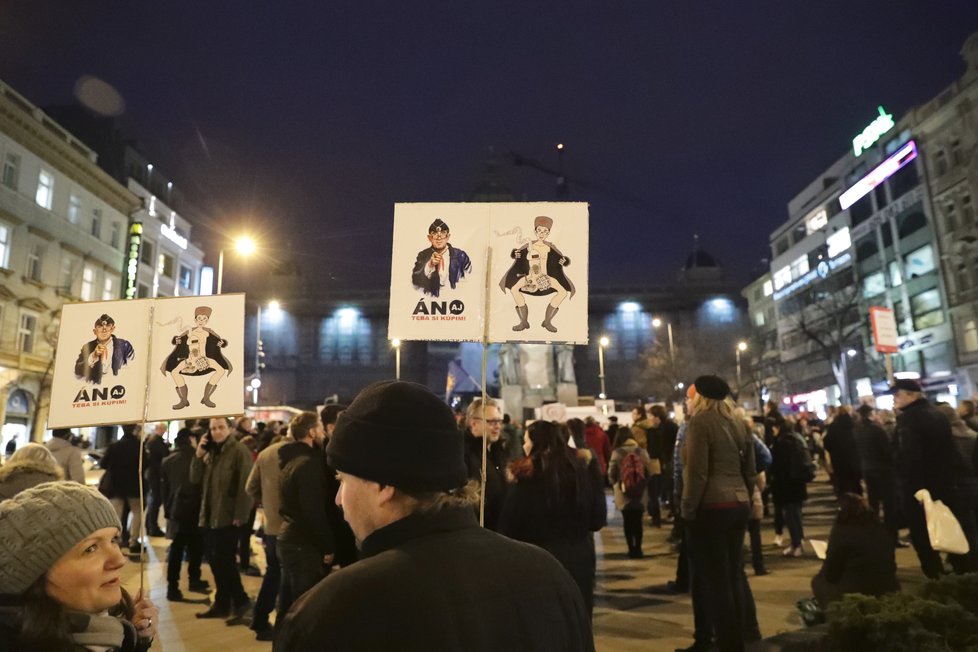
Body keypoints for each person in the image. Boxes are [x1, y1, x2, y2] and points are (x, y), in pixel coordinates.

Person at [275, 380, 595, 652]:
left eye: (343, 479)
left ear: (383, 484)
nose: (339, 499)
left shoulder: (333, 611)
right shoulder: (549, 574)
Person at [0, 482, 158, 651]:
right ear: (32, 572)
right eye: (90, 549)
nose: (120, 560)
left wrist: (137, 641)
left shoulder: (96, 631)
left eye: (114, 539)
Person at [679, 375, 758, 652]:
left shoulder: (700, 422)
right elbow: (750, 467)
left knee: (715, 581)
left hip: (712, 507)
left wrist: (688, 508)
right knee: (733, 575)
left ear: (699, 397)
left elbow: (697, 472)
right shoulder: (738, 421)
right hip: (739, 503)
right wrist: (747, 495)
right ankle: (738, 639)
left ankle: (727, 644)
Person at [498, 420, 606, 615]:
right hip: (579, 562)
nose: (524, 446)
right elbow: (597, 519)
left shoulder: (525, 477)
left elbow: (508, 527)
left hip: (536, 565)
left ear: (537, 444)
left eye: (526, 441)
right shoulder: (583, 469)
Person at [890, 378, 958, 579]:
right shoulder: (939, 414)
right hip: (943, 483)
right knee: (946, 528)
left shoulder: (909, 419)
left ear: (911, 395)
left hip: (918, 487)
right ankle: (958, 569)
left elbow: (908, 455)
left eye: (898, 394)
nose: (895, 399)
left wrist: (906, 482)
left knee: (921, 534)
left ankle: (934, 575)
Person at [191, 417, 253, 621]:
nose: (217, 432)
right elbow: (194, 479)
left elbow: (247, 486)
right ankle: (223, 603)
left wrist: (240, 515)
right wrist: (198, 454)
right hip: (209, 517)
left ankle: (241, 601)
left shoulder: (238, 451)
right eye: (213, 428)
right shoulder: (210, 452)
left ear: (230, 429)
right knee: (216, 562)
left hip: (228, 517)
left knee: (225, 562)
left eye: (221, 427)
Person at [276, 412, 337, 619]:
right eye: (320, 428)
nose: (323, 432)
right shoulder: (308, 465)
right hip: (302, 543)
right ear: (311, 432)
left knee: (287, 605)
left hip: (290, 538)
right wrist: (327, 546)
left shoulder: (291, 460)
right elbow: (313, 511)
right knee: (303, 608)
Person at [810, 493, 899, 609]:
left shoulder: (842, 531)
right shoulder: (880, 528)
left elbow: (831, 573)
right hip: (888, 585)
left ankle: (834, 611)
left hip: (858, 588)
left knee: (818, 581)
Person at [245, 424, 291, 640]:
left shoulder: (265, 454)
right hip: (291, 527)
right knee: (287, 578)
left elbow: (250, 488)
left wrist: (266, 501)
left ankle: (260, 619)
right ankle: (284, 629)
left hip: (270, 524)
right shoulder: (301, 454)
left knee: (273, 572)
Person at [499, 215, 575, 333]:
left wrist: (565, 261)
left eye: (545, 231)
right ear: (535, 231)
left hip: (545, 278)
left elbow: (562, 259)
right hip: (529, 278)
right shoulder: (529, 245)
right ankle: (524, 321)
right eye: (539, 230)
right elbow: (517, 254)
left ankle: (547, 321)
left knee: (563, 292)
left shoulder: (550, 247)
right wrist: (515, 254)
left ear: (548, 233)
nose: (541, 233)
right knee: (514, 289)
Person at [160, 428, 210, 602]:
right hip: (196, 508)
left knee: (176, 549)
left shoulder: (167, 460)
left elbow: (164, 490)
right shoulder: (200, 457)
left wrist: (167, 510)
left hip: (177, 510)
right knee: (196, 547)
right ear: (190, 439)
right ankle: (194, 580)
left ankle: (172, 587)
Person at [160, 305, 232, 409]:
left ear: (207, 321)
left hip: (204, 359)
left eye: (204, 319)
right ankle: (183, 400)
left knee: (220, 370)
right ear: (195, 319)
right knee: (174, 372)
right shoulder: (189, 332)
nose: (201, 321)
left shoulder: (208, 333)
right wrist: (176, 340)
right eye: (199, 318)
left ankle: (206, 397)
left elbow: (219, 342)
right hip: (190, 360)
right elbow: (178, 342)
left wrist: (222, 343)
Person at [937, 403, 978, 573]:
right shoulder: (972, 435)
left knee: (963, 527)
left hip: (958, 487)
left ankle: (967, 565)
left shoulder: (946, 439)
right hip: (974, 484)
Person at [853, 404, 898, 544]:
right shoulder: (877, 430)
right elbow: (887, 451)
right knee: (889, 505)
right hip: (883, 471)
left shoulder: (857, 430)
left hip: (867, 469)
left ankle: (875, 535)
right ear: (871, 414)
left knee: (873, 504)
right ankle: (891, 536)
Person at [608, 428, 657, 559]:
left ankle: (631, 549)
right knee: (638, 522)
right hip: (640, 493)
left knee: (627, 522)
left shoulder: (617, 453)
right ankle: (639, 549)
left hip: (624, 493)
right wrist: (642, 484)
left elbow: (611, 474)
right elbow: (649, 472)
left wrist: (617, 485)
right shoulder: (642, 452)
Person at [462, 397, 508, 530]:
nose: (498, 426)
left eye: (499, 421)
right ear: (474, 424)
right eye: (492, 422)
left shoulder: (499, 450)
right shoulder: (462, 454)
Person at [99, 425, 144, 554]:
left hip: (116, 485)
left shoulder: (114, 446)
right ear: (134, 431)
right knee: (137, 512)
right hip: (134, 485)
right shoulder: (138, 446)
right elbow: (145, 463)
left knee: (116, 514)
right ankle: (133, 541)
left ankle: (116, 541)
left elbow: (103, 464)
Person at [770, 417, 809, 557]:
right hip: (797, 483)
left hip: (786, 485)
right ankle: (798, 542)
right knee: (796, 514)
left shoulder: (781, 443)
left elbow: (776, 465)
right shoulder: (796, 439)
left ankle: (797, 544)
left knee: (791, 516)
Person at [411, 218, 472, 297]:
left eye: (443, 233)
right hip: (432, 300)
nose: (439, 237)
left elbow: (471, 278)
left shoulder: (460, 255)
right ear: (429, 238)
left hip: (457, 298)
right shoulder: (423, 255)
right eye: (434, 233)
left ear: (448, 237)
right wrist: (430, 265)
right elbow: (415, 280)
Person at [74, 314, 134, 384]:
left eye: (108, 326)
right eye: (100, 327)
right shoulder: (87, 347)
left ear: (113, 329)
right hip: (95, 388)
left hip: (119, 385)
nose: (104, 330)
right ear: (95, 331)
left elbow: (132, 368)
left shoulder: (124, 345)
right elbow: (78, 370)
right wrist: (93, 356)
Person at [821, 408, 862, 498]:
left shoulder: (834, 426)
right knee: (855, 483)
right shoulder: (855, 425)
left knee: (843, 484)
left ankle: (846, 505)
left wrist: (833, 451)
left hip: (839, 460)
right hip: (855, 460)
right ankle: (859, 504)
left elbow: (827, 442)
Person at [143, 424, 170, 537]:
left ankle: (150, 526)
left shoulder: (152, 441)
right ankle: (152, 527)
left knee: (154, 502)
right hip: (155, 476)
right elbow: (163, 457)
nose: (164, 431)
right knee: (155, 501)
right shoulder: (156, 442)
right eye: (163, 429)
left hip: (153, 475)